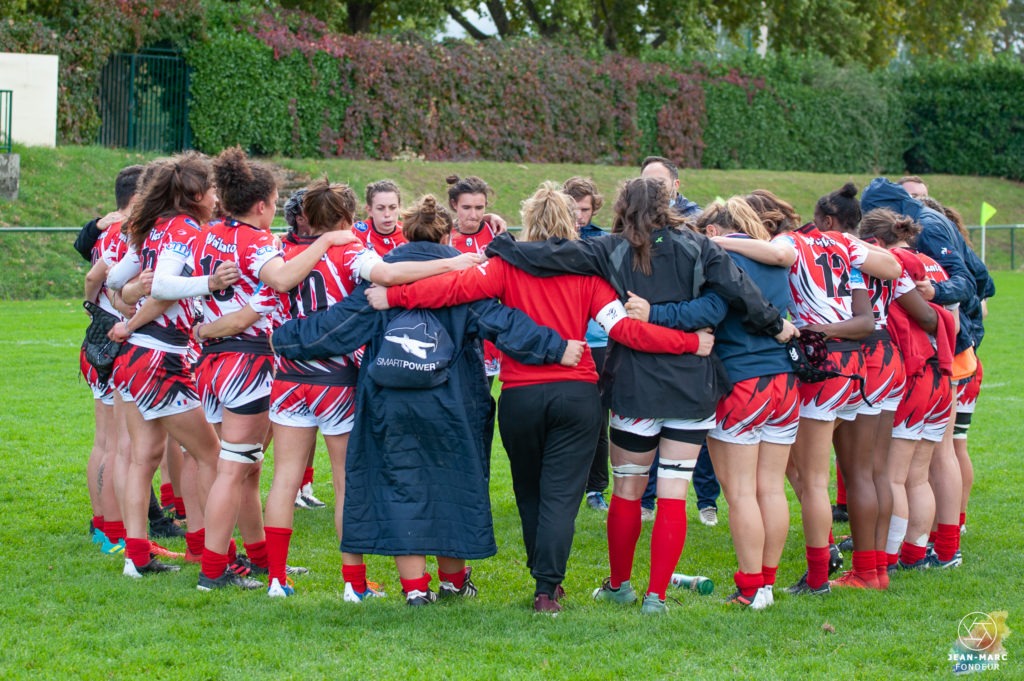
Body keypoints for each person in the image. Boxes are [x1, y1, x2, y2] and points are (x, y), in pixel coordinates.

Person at [370, 182, 715, 615]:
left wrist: (393, 296)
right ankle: (546, 588)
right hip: (577, 395)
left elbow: (451, 290)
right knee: (561, 498)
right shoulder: (588, 274)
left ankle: (543, 575)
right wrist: (686, 343)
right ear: (572, 224)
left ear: (528, 221)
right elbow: (624, 330)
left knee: (529, 491)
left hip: (521, 396)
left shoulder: (504, 267)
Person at [485, 178, 794, 614]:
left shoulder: (606, 248)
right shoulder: (701, 247)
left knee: (628, 490)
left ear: (622, 206)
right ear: (667, 205)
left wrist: (502, 246)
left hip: (634, 383)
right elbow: (731, 297)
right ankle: (657, 596)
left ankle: (619, 585)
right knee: (672, 493)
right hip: (692, 384)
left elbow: (550, 253)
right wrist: (775, 325)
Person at [271, 192, 578, 605]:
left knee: (403, 487)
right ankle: (453, 582)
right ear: (447, 233)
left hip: (389, 403)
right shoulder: (465, 274)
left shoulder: (384, 273)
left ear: (404, 232)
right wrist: (555, 346)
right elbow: (503, 323)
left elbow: (335, 328)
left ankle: (416, 591)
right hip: (453, 402)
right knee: (451, 486)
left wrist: (282, 338)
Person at [263, 181, 487, 601]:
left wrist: (278, 341)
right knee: (348, 483)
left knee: (284, 479)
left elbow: (266, 300)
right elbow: (388, 275)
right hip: (335, 378)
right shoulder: (352, 252)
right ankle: (354, 584)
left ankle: (277, 577)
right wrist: (452, 263)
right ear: (353, 216)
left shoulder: (283, 253)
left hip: (289, 374)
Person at [628, 198, 798, 608]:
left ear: (712, 232)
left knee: (740, 493)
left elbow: (708, 309)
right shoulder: (774, 256)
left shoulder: (720, 256)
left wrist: (655, 313)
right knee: (772, 489)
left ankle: (750, 587)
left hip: (742, 383)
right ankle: (768, 585)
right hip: (785, 382)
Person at [732, 189, 875, 595]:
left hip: (821, 361)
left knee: (811, 479)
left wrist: (717, 240)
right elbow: (881, 278)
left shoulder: (789, 243)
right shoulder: (843, 242)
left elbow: (777, 257)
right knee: (804, 471)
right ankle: (832, 562)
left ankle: (818, 577)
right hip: (853, 360)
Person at [105, 153, 236, 579]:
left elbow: (115, 280)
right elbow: (160, 286)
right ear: (195, 195)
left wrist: (129, 301)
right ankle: (215, 553)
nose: (216, 198)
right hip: (161, 358)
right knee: (212, 454)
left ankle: (136, 557)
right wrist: (210, 282)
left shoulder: (150, 227)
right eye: (212, 190)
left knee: (144, 458)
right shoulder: (183, 228)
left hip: (137, 355)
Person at [861, 178, 994, 567]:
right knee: (929, 466)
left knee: (895, 475)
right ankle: (936, 549)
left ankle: (889, 556)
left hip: (915, 373)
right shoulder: (929, 261)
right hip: (944, 372)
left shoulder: (897, 262)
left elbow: (968, 286)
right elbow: (971, 283)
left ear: (878, 240)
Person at [815, 183, 907, 590]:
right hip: (888, 353)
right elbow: (900, 278)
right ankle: (879, 566)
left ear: (829, 221)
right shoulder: (880, 255)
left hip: (859, 354)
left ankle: (867, 571)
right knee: (877, 472)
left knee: (856, 474)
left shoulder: (839, 252)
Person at [563, 176, 610, 512]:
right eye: (573, 209)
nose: (579, 216)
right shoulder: (551, 241)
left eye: (584, 209)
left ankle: (596, 488)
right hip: (564, 338)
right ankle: (563, 482)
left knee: (598, 418)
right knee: (564, 415)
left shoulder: (604, 242)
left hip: (599, 340)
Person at [281, 187, 326, 510]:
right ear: (299, 217)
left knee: (311, 429)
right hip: (288, 350)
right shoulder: (280, 248)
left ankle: (304, 485)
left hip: (324, 348)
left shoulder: (334, 243)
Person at [353, 179, 407, 256]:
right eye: (380, 208)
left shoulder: (410, 233)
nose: (387, 214)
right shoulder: (355, 232)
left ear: (399, 207)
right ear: (369, 210)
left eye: (392, 207)